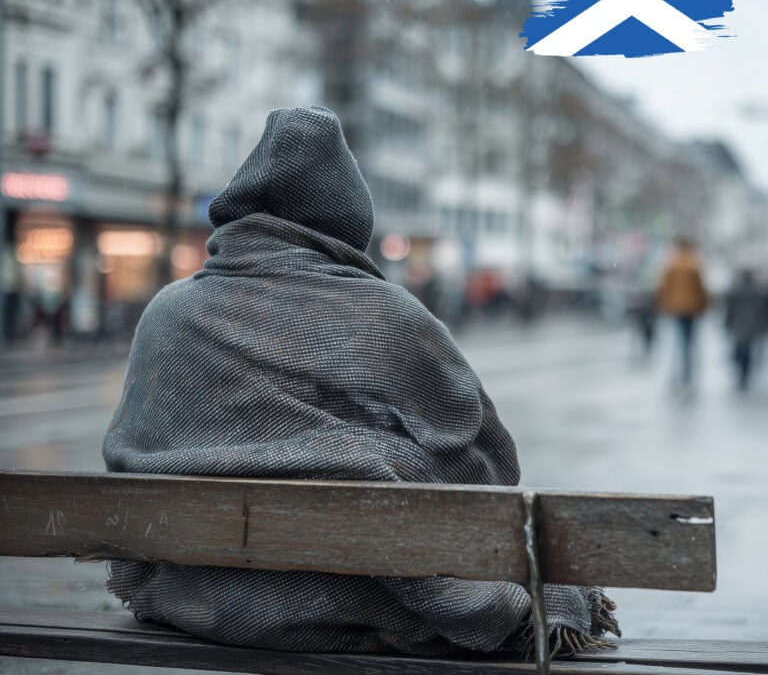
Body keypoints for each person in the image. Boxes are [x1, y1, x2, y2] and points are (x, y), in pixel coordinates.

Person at [102, 107, 618, 657]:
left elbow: (131, 448)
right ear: (348, 217)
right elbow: (486, 469)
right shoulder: (387, 313)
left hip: (193, 596)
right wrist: (385, 457)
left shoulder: (167, 311)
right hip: (354, 600)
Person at [656, 237, 709, 390]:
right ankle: (687, 373)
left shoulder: (671, 264)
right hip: (692, 309)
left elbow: (664, 288)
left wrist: (663, 305)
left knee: (677, 341)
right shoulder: (694, 264)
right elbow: (700, 289)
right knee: (689, 342)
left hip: (675, 308)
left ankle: (676, 373)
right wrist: (704, 305)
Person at [724, 269, 766, 391]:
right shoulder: (759, 291)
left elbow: (729, 309)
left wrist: (727, 323)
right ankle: (745, 371)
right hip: (752, 325)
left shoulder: (735, 290)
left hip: (739, 324)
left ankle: (742, 370)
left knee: (740, 347)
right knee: (747, 349)